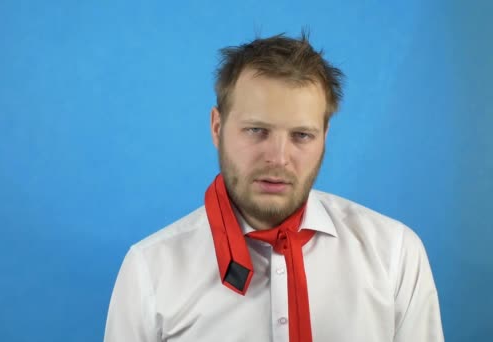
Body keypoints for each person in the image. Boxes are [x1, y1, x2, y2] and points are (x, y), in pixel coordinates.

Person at [104, 32, 444, 342]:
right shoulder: (149, 270)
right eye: (256, 131)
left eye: (301, 136)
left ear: (324, 138)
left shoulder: (396, 255)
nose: (279, 158)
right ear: (217, 127)